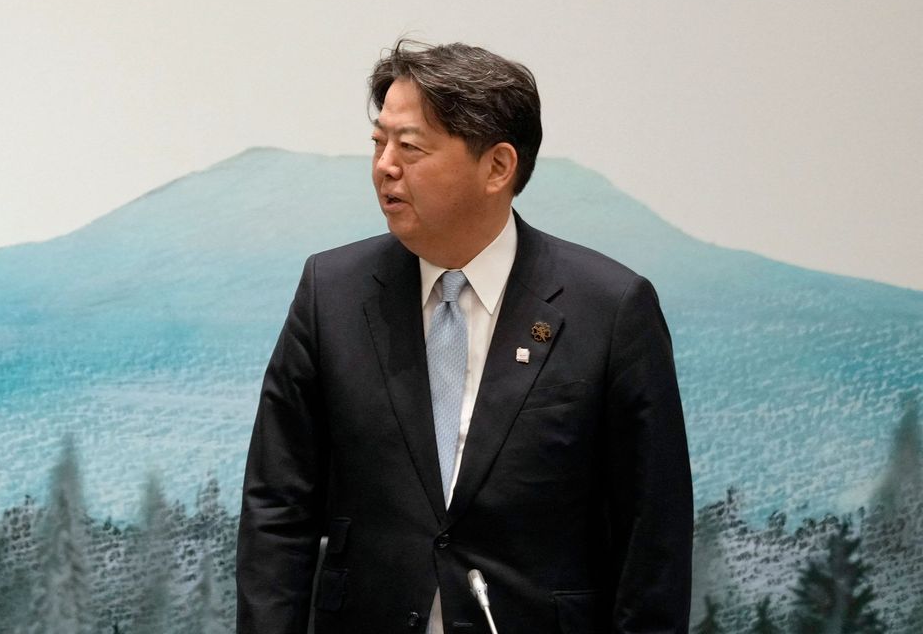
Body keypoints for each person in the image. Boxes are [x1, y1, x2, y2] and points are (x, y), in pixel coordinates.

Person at [236, 40, 691, 634]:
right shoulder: (334, 292)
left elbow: (652, 534)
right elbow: (278, 505)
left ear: (497, 167)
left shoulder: (609, 309)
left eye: (411, 147)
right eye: (379, 143)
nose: (385, 167)